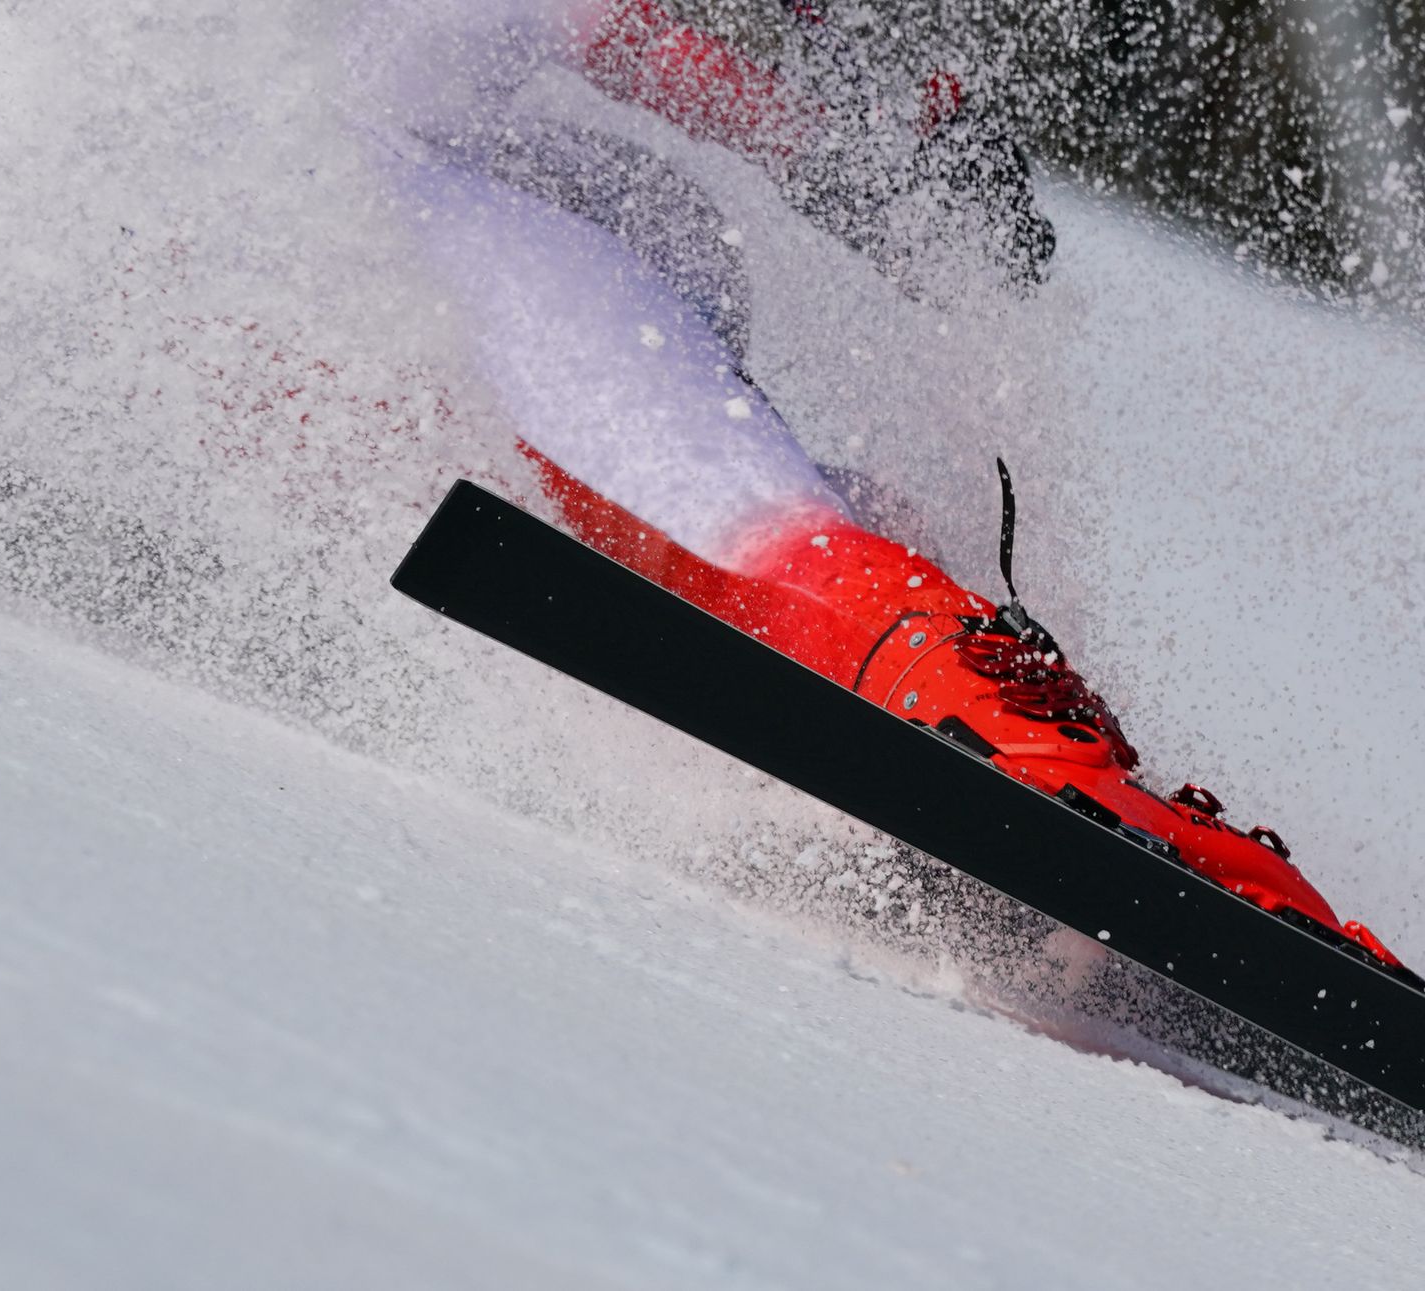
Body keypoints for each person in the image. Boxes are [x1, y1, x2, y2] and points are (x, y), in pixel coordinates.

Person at [347, 0, 1412, 972]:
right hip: (334, 189)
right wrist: (846, 144)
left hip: (388, 164)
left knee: (683, 267)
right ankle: (951, 689)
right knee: (734, 477)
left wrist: (875, 143)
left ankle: (988, 711)